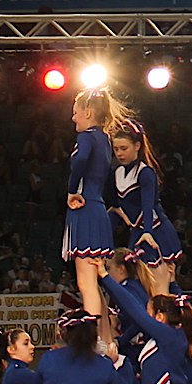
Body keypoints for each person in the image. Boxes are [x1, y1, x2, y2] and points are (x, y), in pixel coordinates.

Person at [110, 120, 184, 295]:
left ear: (137, 146)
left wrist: (148, 232)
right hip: (138, 233)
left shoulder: (145, 172)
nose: (119, 153)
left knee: (162, 290)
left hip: (156, 231)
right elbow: (118, 207)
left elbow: (147, 205)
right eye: (116, 149)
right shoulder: (117, 172)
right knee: (141, 288)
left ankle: (184, 320)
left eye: (124, 148)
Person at [63, 88, 120, 314]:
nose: (73, 117)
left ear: (87, 113)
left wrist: (71, 190)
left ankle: (94, 342)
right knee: (94, 283)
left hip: (83, 207)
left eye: (75, 112)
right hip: (97, 207)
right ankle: (105, 338)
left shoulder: (86, 137)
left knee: (86, 283)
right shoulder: (105, 139)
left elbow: (81, 161)